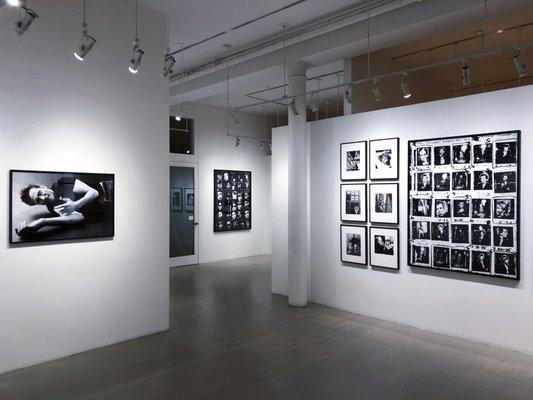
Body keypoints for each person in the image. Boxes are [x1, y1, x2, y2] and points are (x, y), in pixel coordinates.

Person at [16, 177, 108, 238]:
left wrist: (76, 205)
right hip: (107, 210)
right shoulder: (53, 209)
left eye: (40, 193)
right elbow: (79, 217)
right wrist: (42, 222)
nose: (43, 197)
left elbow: (94, 193)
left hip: (108, 189)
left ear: (42, 187)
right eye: (38, 200)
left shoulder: (62, 183)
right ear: (38, 204)